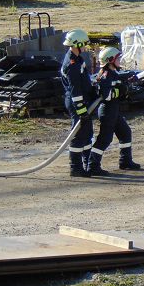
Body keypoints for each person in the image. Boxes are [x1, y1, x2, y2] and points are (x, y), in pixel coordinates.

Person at [87, 47, 141, 176]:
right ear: (110, 60)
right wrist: (122, 89)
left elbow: (118, 85)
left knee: (125, 133)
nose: (120, 60)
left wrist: (127, 83)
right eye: (118, 58)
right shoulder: (105, 75)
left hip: (113, 109)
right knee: (105, 139)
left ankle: (125, 161)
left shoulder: (113, 73)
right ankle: (92, 166)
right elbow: (106, 95)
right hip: (107, 110)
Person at [59, 29, 96, 177]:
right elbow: (75, 90)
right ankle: (75, 167)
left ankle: (86, 164)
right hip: (76, 103)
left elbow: (83, 82)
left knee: (87, 134)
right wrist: (81, 110)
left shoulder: (77, 58)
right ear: (78, 44)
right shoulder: (72, 64)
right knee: (78, 134)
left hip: (82, 100)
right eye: (84, 44)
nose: (86, 47)